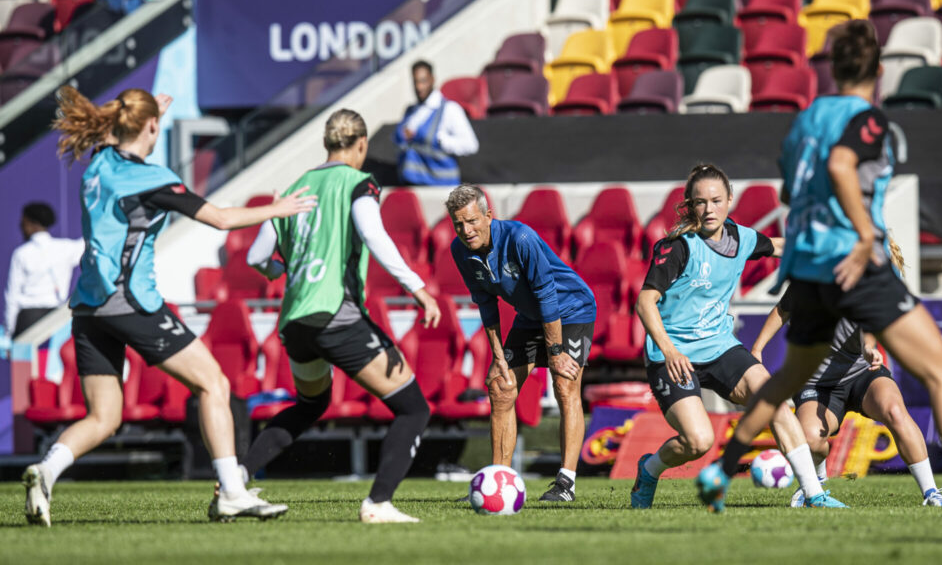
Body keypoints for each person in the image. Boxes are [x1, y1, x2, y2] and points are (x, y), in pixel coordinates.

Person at [696, 20, 942, 532]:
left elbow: (788, 192)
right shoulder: (867, 119)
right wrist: (867, 235)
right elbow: (845, 164)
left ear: (831, 67)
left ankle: (720, 469)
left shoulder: (805, 120)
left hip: (807, 267)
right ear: (878, 70)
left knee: (785, 379)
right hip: (852, 261)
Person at [23, 86, 314, 527]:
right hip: (130, 301)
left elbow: (120, 138)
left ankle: (45, 472)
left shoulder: (99, 165)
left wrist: (146, 114)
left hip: (87, 307)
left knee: (105, 416)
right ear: (151, 127)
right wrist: (278, 208)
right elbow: (220, 218)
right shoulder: (149, 178)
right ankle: (231, 493)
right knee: (213, 383)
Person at [244, 109, 441, 524]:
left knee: (310, 404)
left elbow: (257, 256)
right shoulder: (360, 182)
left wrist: (280, 273)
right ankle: (378, 503)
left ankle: (236, 477)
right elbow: (372, 233)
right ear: (362, 145)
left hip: (295, 322)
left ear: (326, 144)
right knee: (413, 409)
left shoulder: (297, 186)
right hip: (336, 315)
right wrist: (418, 288)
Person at [629, 164, 844, 510]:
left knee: (773, 400)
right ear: (690, 205)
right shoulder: (677, 247)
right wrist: (669, 351)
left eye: (716, 200)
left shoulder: (741, 238)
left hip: (720, 347)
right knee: (697, 442)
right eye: (700, 202)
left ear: (730, 200)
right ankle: (650, 470)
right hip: (672, 354)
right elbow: (645, 301)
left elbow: (777, 247)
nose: (708, 209)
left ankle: (813, 495)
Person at [750, 240, 942, 508]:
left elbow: (868, 328)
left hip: (860, 373)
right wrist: (757, 349)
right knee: (810, 439)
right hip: (816, 382)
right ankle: (817, 480)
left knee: (894, 410)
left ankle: (931, 492)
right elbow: (783, 310)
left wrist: (869, 348)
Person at [448, 184, 594, 502]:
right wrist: (498, 357)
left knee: (565, 384)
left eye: (471, 221)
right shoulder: (459, 251)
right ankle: (496, 482)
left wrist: (556, 353)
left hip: (570, 310)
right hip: (529, 317)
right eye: (458, 223)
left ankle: (565, 483)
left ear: (488, 216)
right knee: (501, 387)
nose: (465, 229)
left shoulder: (520, 237)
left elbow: (547, 295)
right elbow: (486, 305)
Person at [4, 203, 84, 338]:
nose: (21, 227)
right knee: (51, 359)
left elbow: (12, 296)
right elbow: (90, 240)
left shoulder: (21, 254)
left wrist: (9, 331)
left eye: (23, 223)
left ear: (31, 223)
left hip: (28, 320)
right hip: (57, 320)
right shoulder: (66, 248)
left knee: (26, 359)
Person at [394, 61, 479, 186]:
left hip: (441, 188)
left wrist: (442, 140)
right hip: (412, 185)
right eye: (416, 82)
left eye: (423, 81)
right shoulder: (411, 112)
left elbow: (471, 145)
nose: (419, 87)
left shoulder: (449, 109)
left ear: (432, 80)